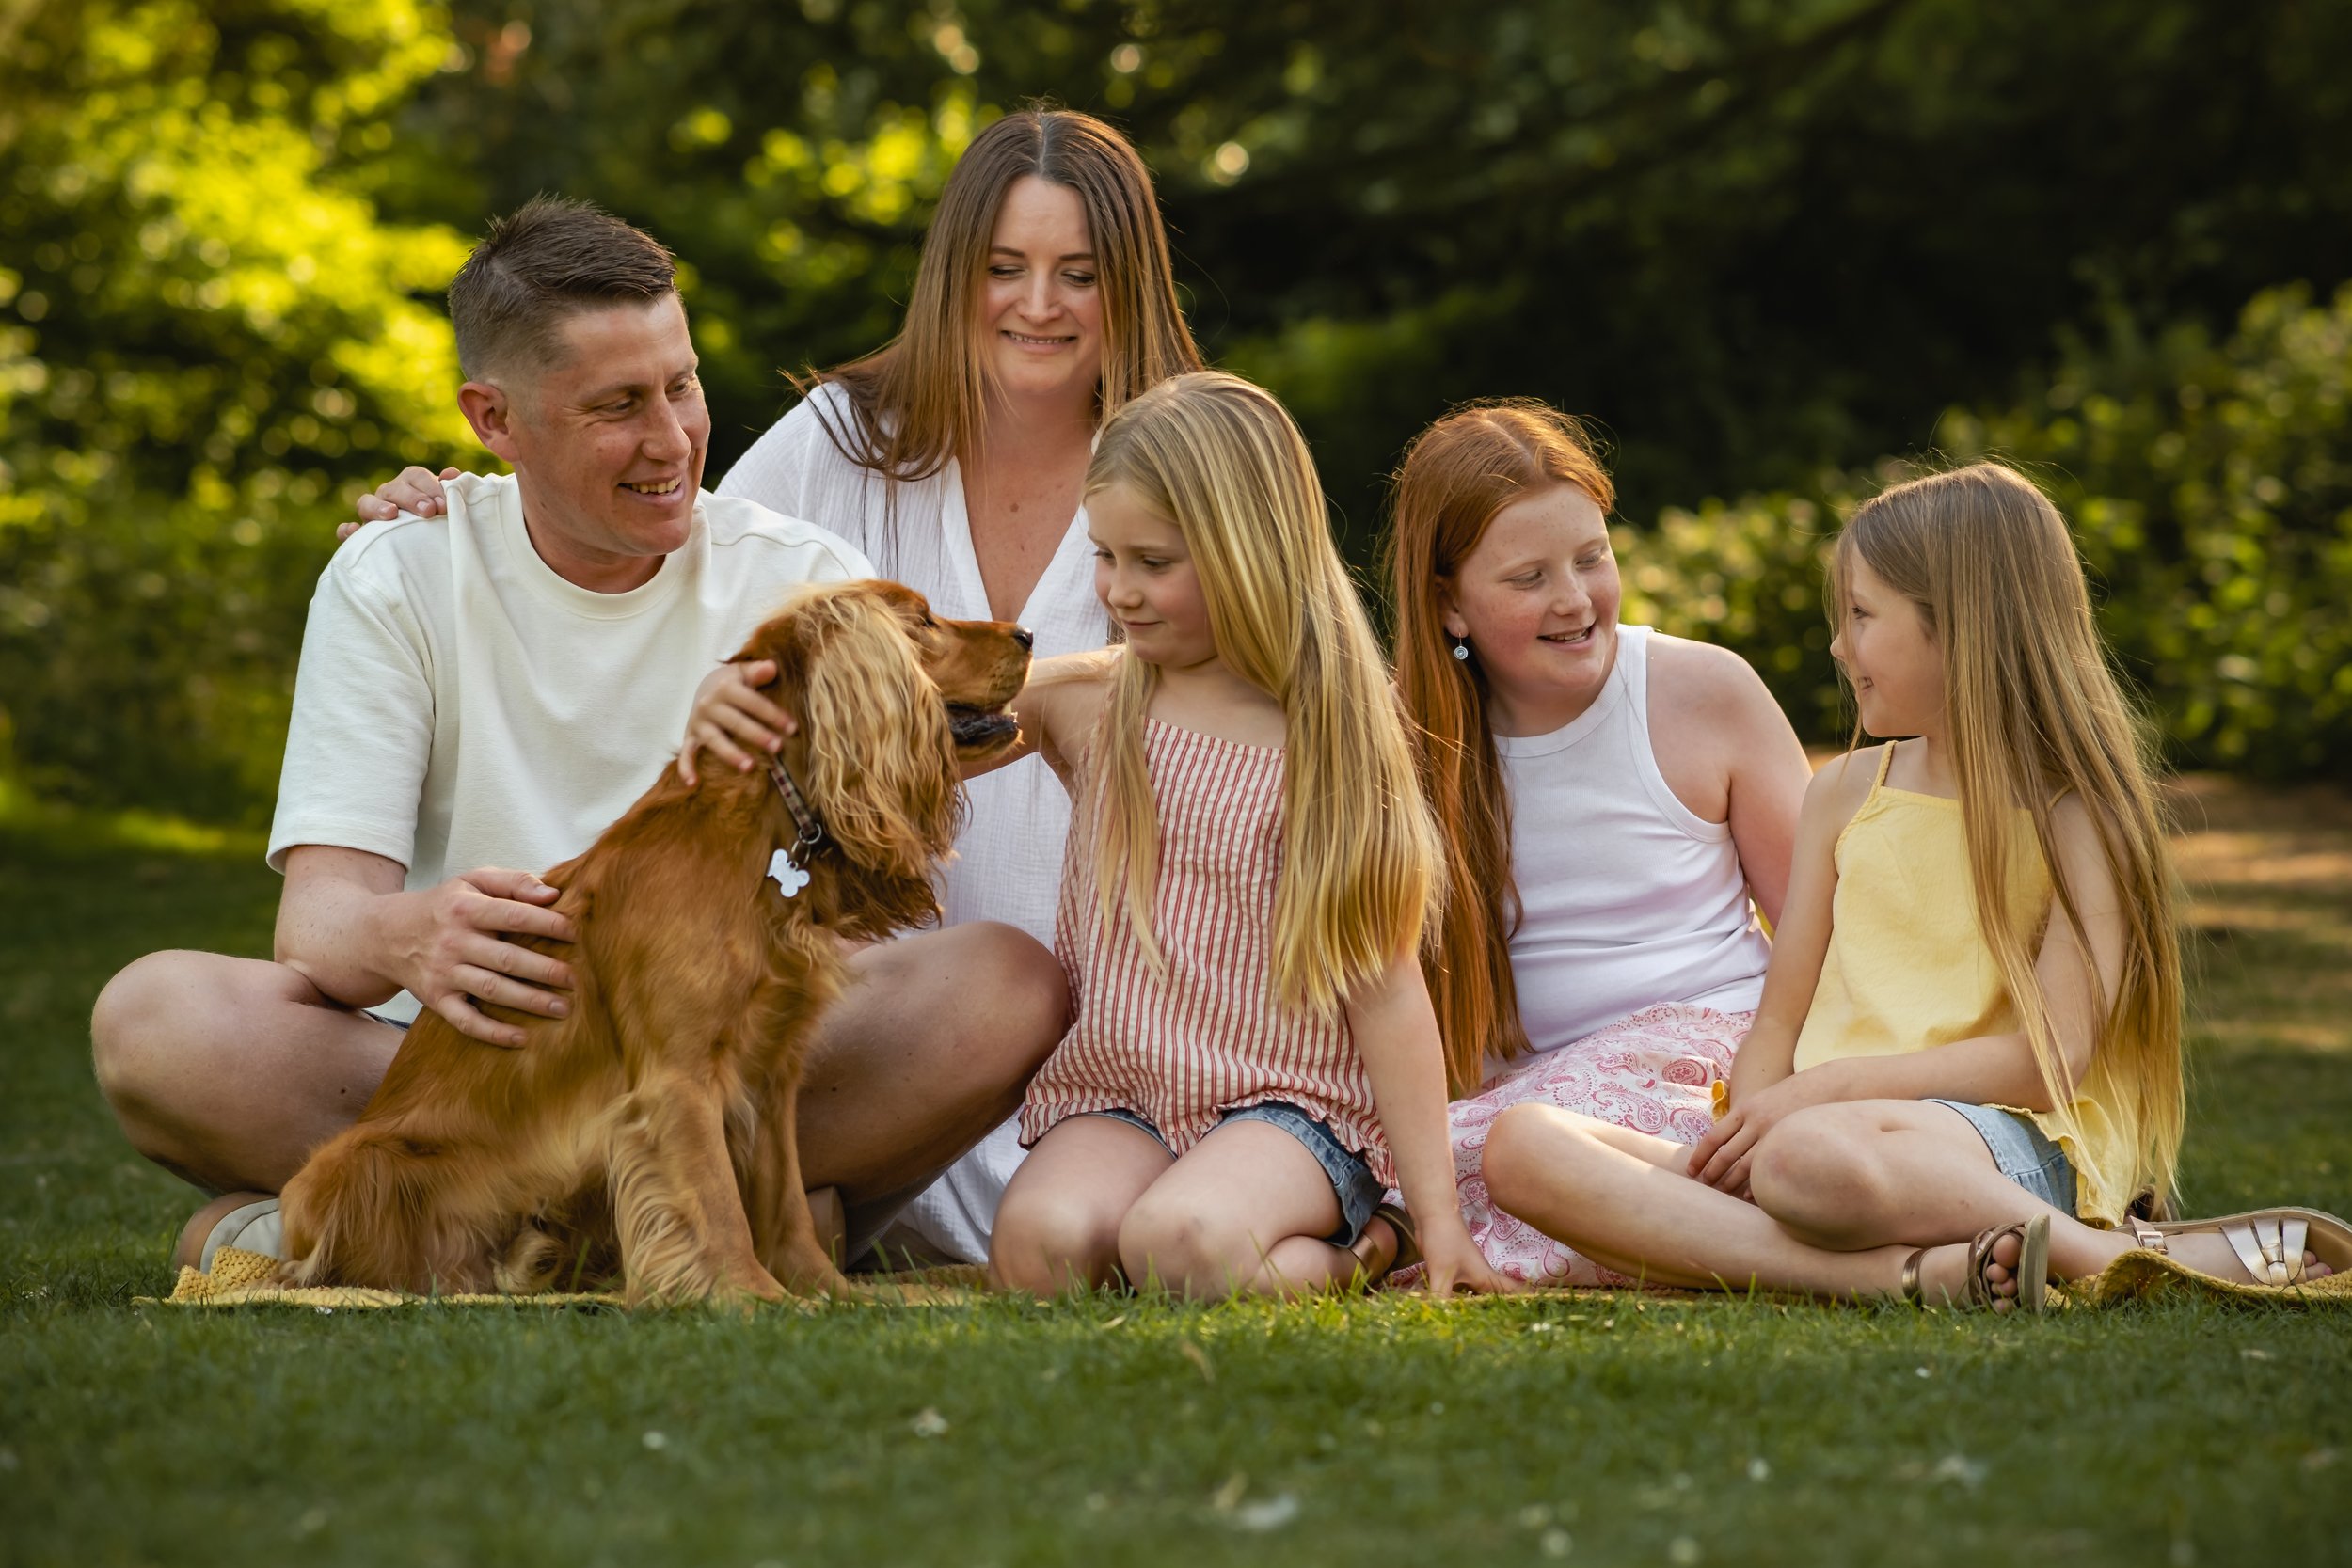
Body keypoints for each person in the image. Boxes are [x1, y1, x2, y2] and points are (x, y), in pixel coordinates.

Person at [88, 197, 1066, 1276]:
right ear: (492, 419)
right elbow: (317, 923)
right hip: (476, 1072)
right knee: (155, 1017)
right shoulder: (400, 574)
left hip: (721, 1057)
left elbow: (947, 759)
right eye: (617, 405)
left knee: (1002, 985)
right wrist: (409, 934)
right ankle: (665, 1220)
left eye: (683, 384)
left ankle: (427, 1233)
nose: (673, 438)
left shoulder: (796, 582)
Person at [346, 109, 1204, 1262]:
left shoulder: (1201, 465)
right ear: (956, 274)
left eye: (1078, 274)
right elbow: (662, 543)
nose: (1037, 305)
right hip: (816, 991)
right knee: (173, 1024)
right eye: (1003, 268)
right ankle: (557, 1199)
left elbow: (1292, 701)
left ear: (1131, 284)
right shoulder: (840, 443)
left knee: (1007, 989)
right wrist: (477, 505)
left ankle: (630, 1210)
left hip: (1036, 1018)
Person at [696, 371, 1498, 1296]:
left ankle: (1367, 1245)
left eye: (1152, 562)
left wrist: (1439, 1218)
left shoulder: (1332, 746)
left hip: (1289, 1109)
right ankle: (1195, 1229)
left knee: (1182, 1244)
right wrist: (748, 695)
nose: (1117, 589)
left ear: (1251, 552)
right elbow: (894, 722)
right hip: (1122, 1094)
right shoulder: (1094, 704)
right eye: (1104, 554)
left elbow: (1389, 993)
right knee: (1034, 1251)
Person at [1479, 462, 2342, 1307]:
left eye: (1861, 615)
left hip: (2006, 1137)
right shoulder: (1844, 794)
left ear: (1962, 627)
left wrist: (1819, 1095)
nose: (1837, 644)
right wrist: (1749, 1117)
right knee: (1523, 1148)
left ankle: (2104, 1249)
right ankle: (1914, 1273)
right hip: (1827, 1144)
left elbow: (2047, 1062)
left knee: (1807, 1163)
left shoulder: (2078, 815)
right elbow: (1781, 1012)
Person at [1372, 400, 1812, 1286]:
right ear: (1448, 604)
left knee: (1508, 1154)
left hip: (1710, 1061)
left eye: (1591, 557)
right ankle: (1698, 1236)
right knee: (1395, 1168)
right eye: (1528, 577)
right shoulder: (1399, 742)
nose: (1574, 600)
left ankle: (1720, 1230)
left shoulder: (1702, 692)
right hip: (1524, 1099)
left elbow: (1823, 929)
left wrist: (1782, 1083)